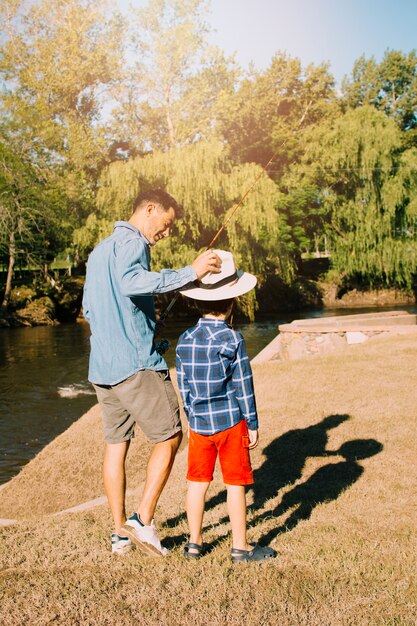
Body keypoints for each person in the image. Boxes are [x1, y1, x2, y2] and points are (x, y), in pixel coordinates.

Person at [82, 188, 221, 556]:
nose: (167, 232)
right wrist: (190, 272)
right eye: (167, 223)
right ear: (149, 209)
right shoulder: (134, 243)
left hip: (103, 368)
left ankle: (119, 535)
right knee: (171, 436)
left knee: (116, 445)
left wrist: (139, 321)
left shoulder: (97, 252)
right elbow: (132, 283)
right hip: (135, 365)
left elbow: (89, 309)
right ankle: (143, 521)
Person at [175, 250, 277, 562]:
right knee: (235, 484)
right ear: (231, 302)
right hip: (232, 423)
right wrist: (254, 424)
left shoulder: (184, 340)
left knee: (197, 483)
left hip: (200, 425)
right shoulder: (233, 340)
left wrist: (193, 417)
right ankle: (240, 546)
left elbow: (184, 386)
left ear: (196, 302)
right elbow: (243, 385)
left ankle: (194, 543)